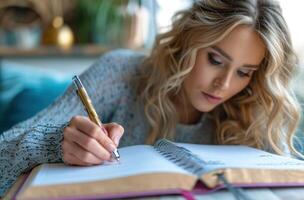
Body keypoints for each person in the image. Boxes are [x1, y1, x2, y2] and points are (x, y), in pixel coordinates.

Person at [0, 0, 303, 197]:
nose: (224, 85)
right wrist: (57, 143)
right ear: (187, 41)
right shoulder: (118, 73)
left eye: (244, 72)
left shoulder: (249, 112)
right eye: (214, 59)